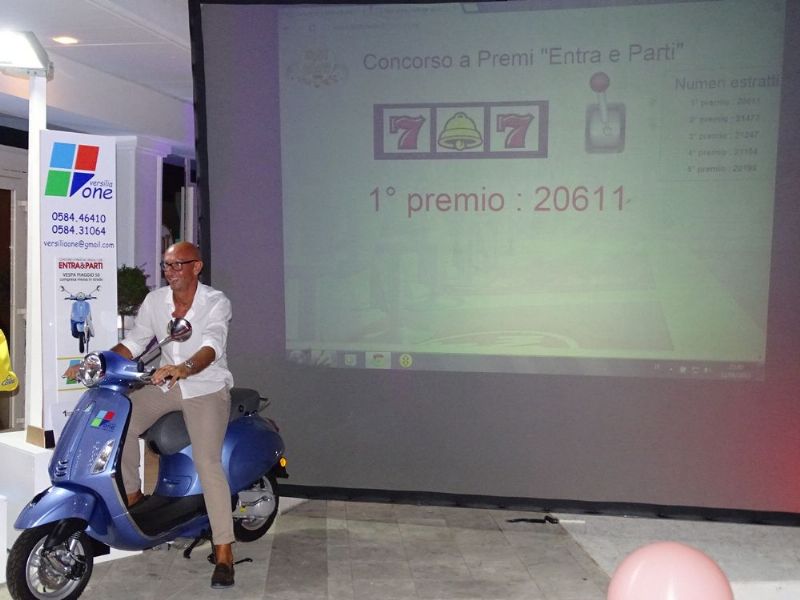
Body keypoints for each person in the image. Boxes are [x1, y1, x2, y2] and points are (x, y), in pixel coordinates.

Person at [64, 241, 236, 588]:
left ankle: (224, 552)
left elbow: (212, 345)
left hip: (205, 387)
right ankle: (133, 496)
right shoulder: (156, 301)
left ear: (197, 267)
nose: (170, 272)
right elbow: (135, 342)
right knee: (121, 421)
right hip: (167, 384)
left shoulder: (215, 301)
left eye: (177, 265)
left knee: (207, 462)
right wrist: (95, 363)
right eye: (166, 266)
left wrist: (186, 367)